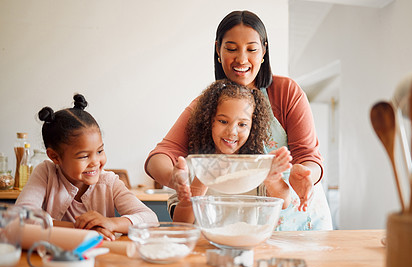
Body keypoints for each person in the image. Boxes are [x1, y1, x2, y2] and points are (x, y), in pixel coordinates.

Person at [145, 10, 332, 230]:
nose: (242, 59)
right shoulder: (205, 104)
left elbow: (308, 156)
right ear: (218, 50)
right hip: (252, 232)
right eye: (232, 49)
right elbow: (160, 157)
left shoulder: (286, 92)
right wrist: (177, 181)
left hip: (301, 222)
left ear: (264, 51)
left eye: (251, 49)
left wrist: (306, 173)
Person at [16, 94, 158, 240]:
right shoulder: (46, 173)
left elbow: (150, 219)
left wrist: (110, 223)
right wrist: (83, 229)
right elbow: (21, 217)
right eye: (84, 156)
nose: (95, 162)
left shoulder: (109, 182)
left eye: (100, 151)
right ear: (55, 157)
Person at [170, 79, 293, 225]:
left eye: (242, 124)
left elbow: (284, 202)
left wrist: (272, 179)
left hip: (245, 244)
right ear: (210, 121)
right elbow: (180, 222)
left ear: (253, 127)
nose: (232, 132)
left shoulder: (255, 165)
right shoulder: (191, 165)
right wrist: (198, 186)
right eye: (223, 121)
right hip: (204, 246)